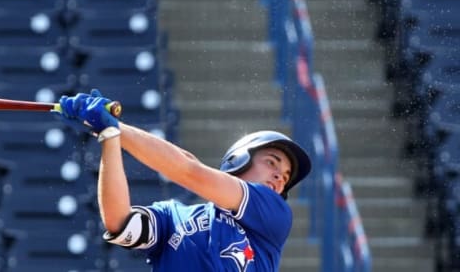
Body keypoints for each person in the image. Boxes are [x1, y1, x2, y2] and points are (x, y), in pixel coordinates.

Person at [56, 89, 312, 272]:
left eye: (287, 176)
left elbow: (190, 170)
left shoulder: (273, 213)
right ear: (238, 159)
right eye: (272, 162)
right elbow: (117, 220)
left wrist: (115, 128)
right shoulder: (174, 215)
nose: (281, 176)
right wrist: (109, 137)